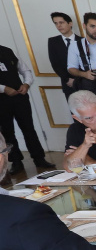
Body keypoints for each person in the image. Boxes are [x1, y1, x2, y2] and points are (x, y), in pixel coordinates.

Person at [0, 43, 54, 174]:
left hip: (20, 97)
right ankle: (16, 161)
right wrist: (4, 89)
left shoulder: (7, 51)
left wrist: (26, 84)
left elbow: (25, 70)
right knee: (7, 132)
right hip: (1, 100)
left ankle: (39, 158)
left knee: (29, 128)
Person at [47, 11, 81, 100]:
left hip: (84, 82)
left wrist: (78, 80)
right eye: (56, 23)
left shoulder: (82, 40)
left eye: (61, 22)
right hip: (68, 84)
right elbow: (55, 63)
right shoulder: (53, 41)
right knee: (74, 112)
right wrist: (67, 79)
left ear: (70, 23)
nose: (58, 26)